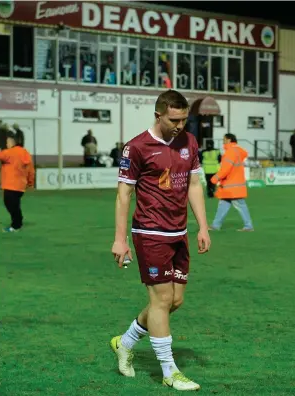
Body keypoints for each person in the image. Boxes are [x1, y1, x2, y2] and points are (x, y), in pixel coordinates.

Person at [110, 90, 211, 391]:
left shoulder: (189, 142)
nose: (181, 125)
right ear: (159, 115)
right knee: (161, 300)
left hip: (179, 232)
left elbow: (193, 183)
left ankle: (124, 342)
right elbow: (123, 194)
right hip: (150, 232)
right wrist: (120, 239)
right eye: (174, 119)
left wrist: (203, 226)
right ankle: (170, 372)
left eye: (184, 119)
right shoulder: (137, 147)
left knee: (174, 301)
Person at [209, 133, 253, 232]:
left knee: (239, 205)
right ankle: (216, 225)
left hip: (231, 186)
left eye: (224, 139)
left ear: (229, 140)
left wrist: (214, 178)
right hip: (233, 186)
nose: (223, 141)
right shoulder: (237, 151)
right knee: (223, 205)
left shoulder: (230, 152)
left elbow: (225, 169)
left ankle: (248, 226)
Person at [0, 131, 35, 232]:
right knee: (14, 204)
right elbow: (31, 170)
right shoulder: (25, 153)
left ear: (13, 142)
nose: (7, 144)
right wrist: (30, 183)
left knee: (10, 204)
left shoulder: (10, 153)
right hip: (20, 186)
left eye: (8, 142)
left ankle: (16, 225)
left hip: (11, 185)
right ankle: (17, 222)